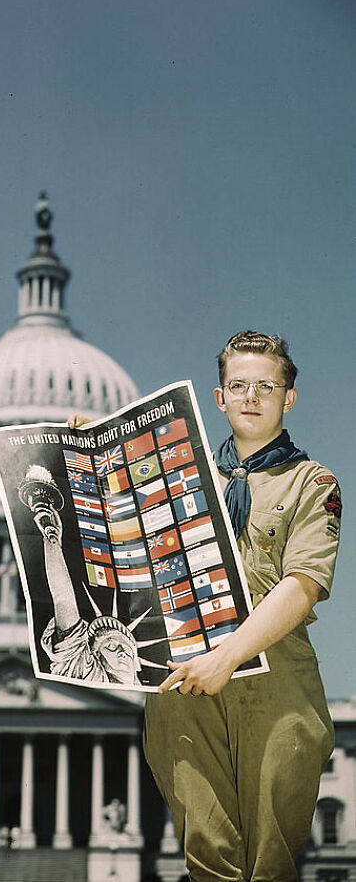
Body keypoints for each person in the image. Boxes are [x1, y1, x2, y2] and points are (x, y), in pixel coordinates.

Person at [70, 331, 341, 881]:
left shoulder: (314, 483)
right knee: (207, 860)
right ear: (219, 399)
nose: (250, 397)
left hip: (276, 686)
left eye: (267, 386)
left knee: (271, 864)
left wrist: (227, 658)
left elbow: (303, 584)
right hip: (183, 684)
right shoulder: (172, 478)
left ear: (289, 398)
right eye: (237, 385)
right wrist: (86, 458)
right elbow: (117, 549)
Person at [27, 480, 143, 686]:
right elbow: (64, 602)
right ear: (94, 657)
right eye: (110, 645)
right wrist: (52, 541)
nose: (122, 652)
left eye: (125, 646)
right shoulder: (88, 672)